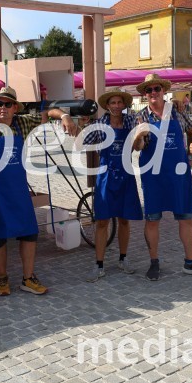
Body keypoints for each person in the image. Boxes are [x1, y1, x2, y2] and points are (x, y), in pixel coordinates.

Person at [0, 86, 78, 296]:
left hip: (18, 188)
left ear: (14, 108)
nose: (3, 107)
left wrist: (65, 116)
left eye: (8, 104)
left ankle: (28, 278)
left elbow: (48, 113)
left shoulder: (22, 122)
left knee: (29, 233)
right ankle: (2, 280)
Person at [132, 73, 192, 281]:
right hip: (153, 177)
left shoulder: (177, 112)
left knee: (186, 218)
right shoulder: (140, 117)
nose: (153, 93)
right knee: (152, 220)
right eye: (149, 90)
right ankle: (154, 262)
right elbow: (136, 148)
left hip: (179, 175)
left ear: (163, 91)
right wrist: (139, 136)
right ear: (145, 95)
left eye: (157, 89)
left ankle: (190, 262)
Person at [81, 88, 143, 281]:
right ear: (107, 106)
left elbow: (139, 146)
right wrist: (83, 126)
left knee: (125, 219)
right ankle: (99, 264)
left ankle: (123, 259)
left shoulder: (132, 121)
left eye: (119, 103)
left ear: (124, 105)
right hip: (105, 176)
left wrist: (140, 133)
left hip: (126, 174)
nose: (116, 106)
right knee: (102, 222)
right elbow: (84, 141)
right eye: (112, 103)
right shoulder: (100, 123)